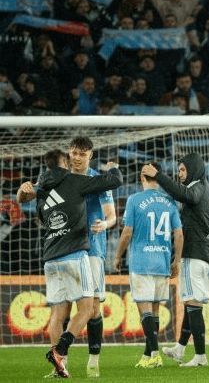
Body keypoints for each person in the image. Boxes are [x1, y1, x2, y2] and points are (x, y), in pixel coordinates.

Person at [17, 154, 122, 379]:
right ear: (65, 162)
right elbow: (114, 182)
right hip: (75, 255)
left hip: (50, 258)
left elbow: (33, 209)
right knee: (86, 309)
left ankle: (60, 367)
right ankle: (59, 351)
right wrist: (114, 169)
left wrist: (22, 190)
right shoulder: (75, 179)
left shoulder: (43, 187)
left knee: (58, 313)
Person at [145, 153, 209, 368]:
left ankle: (201, 357)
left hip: (195, 254)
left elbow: (187, 196)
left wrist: (158, 176)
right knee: (191, 304)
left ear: (194, 169)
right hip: (208, 255)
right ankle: (180, 349)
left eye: (183, 170)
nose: (180, 174)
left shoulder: (197, 187)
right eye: (178, 170)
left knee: (192, 303)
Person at [113, 162, 183, 368]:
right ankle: (148, 356)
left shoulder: (134, 200)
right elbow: (178, 234)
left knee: (145, 312)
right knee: (154, 312)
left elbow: (127, 232)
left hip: (141, 261)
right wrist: (176, 260)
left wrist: (118, 255)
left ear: (142, 178)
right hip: (162, 261)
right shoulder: (169, 201)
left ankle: (154, 355)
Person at [66, 137, 118, 378]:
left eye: (82, 154)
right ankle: (61, 360)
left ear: (91, 156)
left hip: (93, 250)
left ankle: (93, 360)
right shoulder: (62, 179)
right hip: (66, 249)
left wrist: (104, 224)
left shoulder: (100, 181)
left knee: (93, 308)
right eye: (74, 153)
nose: (77, 158)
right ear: (69, 153)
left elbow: (112, 216)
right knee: (65, 305)